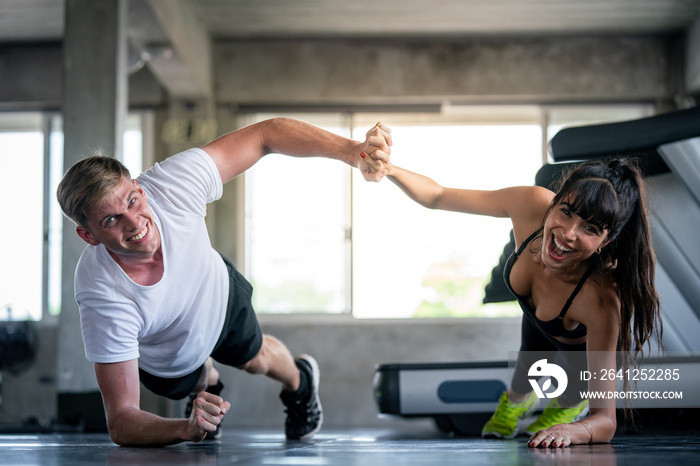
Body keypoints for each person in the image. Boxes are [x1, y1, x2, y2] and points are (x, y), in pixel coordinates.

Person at [56, 118, 392, 447]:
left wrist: (352, 151)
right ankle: (208, 387)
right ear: (89, 236)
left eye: (132, 201)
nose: (134, 223)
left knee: (257, 359)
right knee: (199, 378)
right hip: (167, 349)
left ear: (140, 189)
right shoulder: (102, 294)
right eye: (112, 220)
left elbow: (266, 134)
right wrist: (185, 428)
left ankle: (301, 382)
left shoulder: (173, 184)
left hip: (216, 294)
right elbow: (121, 419)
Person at [381, 156, 661, 447]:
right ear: (553, 203)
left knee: (569, 397)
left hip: (578, 347)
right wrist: (389, 168)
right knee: (521, 382)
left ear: (605, 241)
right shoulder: (530, 204)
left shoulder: (601, 299)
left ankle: (565, 406)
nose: (568, 234)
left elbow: (605, 421)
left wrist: (574, 430)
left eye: (590, 229)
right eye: (565, 212)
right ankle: (515, 402)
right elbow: (437, 195)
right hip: (536, 321)